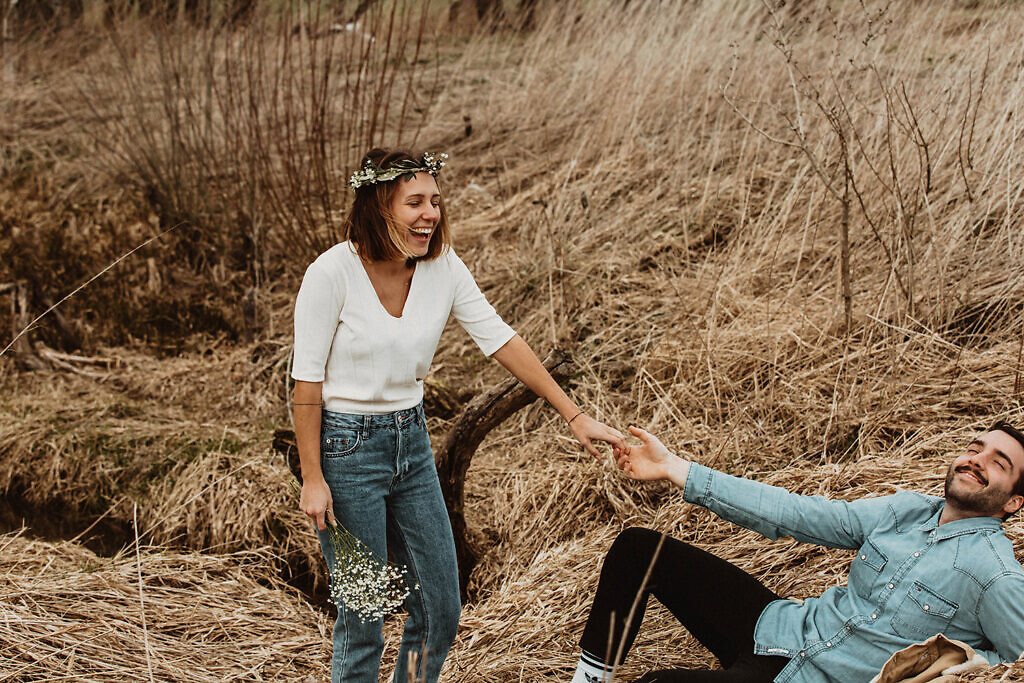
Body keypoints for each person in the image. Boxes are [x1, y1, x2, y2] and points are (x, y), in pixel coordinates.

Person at [292, 148, 626, 683]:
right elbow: (305, 382)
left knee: (441, 611)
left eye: (436, 202)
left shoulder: (442, 268)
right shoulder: (331, 273)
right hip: (346, 453)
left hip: (412, 446)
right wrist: (313, 477)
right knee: (363, 618)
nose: (431, 214)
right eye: (415, 203)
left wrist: (573, 415)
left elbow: (501, 339)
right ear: (380, 206)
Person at [569, 422, 1024, 682]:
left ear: (1012, 503)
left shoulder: (996, 576)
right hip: (784, 627)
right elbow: (796, 514)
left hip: (813, 680)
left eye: (998, 463)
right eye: (975, 448)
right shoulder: (906, 510)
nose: (977, 460)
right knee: (639, 550)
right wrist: (676, 468)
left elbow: (1014, 666)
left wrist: (954, 670)